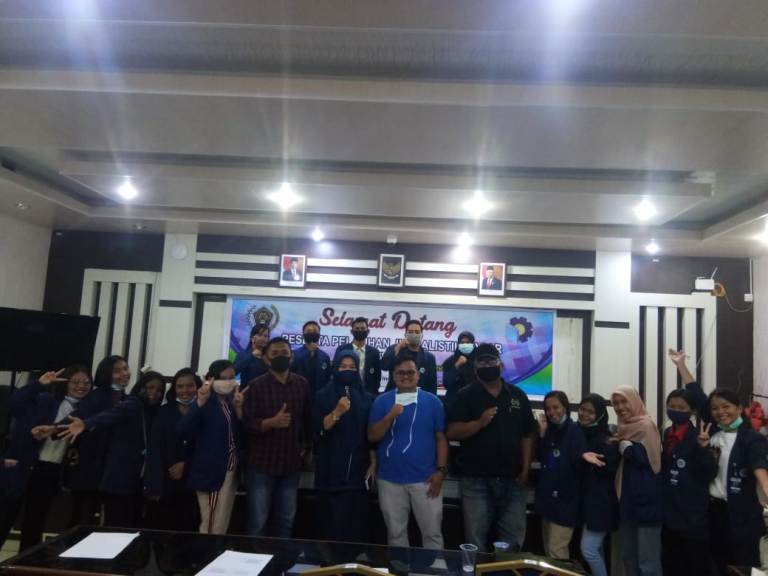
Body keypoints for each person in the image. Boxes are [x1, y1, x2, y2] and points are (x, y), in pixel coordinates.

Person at [445, 343, 535, 552]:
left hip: (513, 481)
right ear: (475, 367)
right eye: (482, 362)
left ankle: (507, 569)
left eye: (491, 361)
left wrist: (525, 469)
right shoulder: (465, 395)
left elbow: (527, 434)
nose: (487, 365)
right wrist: (479, 423)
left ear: (501, 365)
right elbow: (451, 431)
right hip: (476, 480)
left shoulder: (517, 395)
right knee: (475, 541)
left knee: (512, 541)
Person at [60, 369, 166, 529]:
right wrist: (85, 424)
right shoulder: (134, 403)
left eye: (159, 390)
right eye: (150, 387)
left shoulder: (157, 412)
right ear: (141, 387)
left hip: (140, 483)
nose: (155, 393)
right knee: (115, 527)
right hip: (120, 480)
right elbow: (111, 414)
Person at [0, 367, 90, 551]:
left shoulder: (87, 412)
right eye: (75, 382)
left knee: (35, 523)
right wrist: (39, 384)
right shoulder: (46, 400)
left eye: (86, 383)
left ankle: (25, 563)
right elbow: (14, 404)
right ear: (66, 383)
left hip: (51, 470)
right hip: (24, 464)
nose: (81, 386)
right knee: (5, 517)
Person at [368, 352, 447, 549]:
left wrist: (441, 471)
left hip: (426, 480)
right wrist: (390, 416)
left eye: (410, 372)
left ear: (418, 375)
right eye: (400, 372)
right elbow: (372, 436)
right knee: (396, 533)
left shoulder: (433, 402)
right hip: (389, 479)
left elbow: (441, 438)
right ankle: (399, 565)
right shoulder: (381, 401)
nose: (406, 376)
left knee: (432, 533)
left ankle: (435, 566)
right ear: (393, 376)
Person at [243, 337, 312, 537]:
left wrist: (306, 448)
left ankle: (279, 557)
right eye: (274, 353)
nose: (280, 356)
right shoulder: (255, 386)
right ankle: (255, 558)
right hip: (261, 465)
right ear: (266, 359)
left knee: (285, 521)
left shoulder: (302, 384)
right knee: (258, 522)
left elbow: (307, 420)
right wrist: (270, 423)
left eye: (284, 353)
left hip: (291, 465)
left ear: (292, 357)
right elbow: (246, 423)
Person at [702, 387, 768, 573]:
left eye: (726, 406)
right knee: (718, 564)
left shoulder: (752, 438)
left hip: (743, 515)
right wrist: (703, 449)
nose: (720, 412)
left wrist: (766, 486)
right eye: (715, 408)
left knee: (742, 566)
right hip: (715, 513)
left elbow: (759, 466)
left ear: (739, 408)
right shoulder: (712, 437)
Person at [312, 351, 376, 542]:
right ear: (335, 369)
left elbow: (370, 434)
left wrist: (374, 462)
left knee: (355, 525)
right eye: (343, 367)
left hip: (358, 470)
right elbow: (319, 429)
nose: (348, 370)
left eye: (352, 367)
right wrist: (337, 412)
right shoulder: (323, 395)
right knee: (330, 524)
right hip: (330, 470)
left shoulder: (367, 398)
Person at [60, 355, 130, 527]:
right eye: (117, 371)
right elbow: (74, 423)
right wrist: (53, 429)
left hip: (113, 472)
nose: (124, 373)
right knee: (82, 521)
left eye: (125, 368)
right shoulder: (95, 397)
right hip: (89, 470)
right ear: (106, 374)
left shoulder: (127, 398)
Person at [178, 360, 244, 535]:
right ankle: (207, 550)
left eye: (232, 378)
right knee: (211, 523)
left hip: (230, 469)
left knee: (222, 520)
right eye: (224, 378)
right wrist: (199, 402)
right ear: (211, 379)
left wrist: (239, 410)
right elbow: (183, 430)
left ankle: (216, 548)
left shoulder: (230, 401)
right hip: (211, 473)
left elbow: (237, 433)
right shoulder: (206, 402)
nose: (229, 382)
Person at [659, 381, 718, 576]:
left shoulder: (699, 436)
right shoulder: (666, 434)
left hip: (693, 515)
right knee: (671, 565)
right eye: (672, 406)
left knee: (694, 566)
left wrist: (703, 449)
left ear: (692, 411)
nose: (675, 411)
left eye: (681, 408)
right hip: (669, 514)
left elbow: (709, 473)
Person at [611, 386, 663, 576]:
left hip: (646, 505)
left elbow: (650, 461)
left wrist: (626, 448)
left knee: (648, 564)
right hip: (628, 504)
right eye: (616, 403)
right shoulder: (622, 428)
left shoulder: (646, 426)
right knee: (628, 558)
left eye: (624, 401)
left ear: (634, 401)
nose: (620, 407)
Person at [144, 368, 202, 531]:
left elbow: (206, 446)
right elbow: (155, 447)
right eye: (180, 386)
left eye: (190, 386)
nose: (185, 391)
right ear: (174, 389)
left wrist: (186, 464)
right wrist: (155, 482)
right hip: (165, 481)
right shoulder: (164, 412)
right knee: (162, 528)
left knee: (189, 530)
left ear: (197, 387)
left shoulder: (204, 411)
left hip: (194, 481)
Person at [535, 391, 586, 560]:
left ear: (565, 407)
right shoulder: (550, 431)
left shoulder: (575, 432)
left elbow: (576, 468)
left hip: (565, 503)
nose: (552, 412)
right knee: (548, 552)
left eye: (556, 407)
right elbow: (544, 459)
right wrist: (542, 435)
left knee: (556, 551)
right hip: (547, 501)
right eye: (548, 409)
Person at [577, 394, 619, 576]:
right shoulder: (577, 433)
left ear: (600, 415)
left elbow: (609, 469)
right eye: (582, 409)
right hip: (587, 503)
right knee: (597, 549)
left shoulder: (606, 439)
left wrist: (591, 464)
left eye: (591, 412)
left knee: (588, 550)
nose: (585, 414)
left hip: (601, 504)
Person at [381, 320, 437, 395]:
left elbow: (432, 384)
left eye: (417, 332)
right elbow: (384, 366)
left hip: (419, 397)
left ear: (422, 335)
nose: (414, 334)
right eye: (410, 332)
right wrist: (398, 348)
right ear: (405, 334)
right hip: (395, 396)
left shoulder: (429, 357)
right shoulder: (394, 349)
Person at [333, 317, 382, 396]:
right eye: (357, 328)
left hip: (367, 395)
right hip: (345, 394)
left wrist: (373, 394)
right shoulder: (341, 350)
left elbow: (377, 377)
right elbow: (335, 372)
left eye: (363, 328)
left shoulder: (374, 352)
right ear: (351, 331)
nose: (360, 331)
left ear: (368, 331)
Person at [291, 321, 332, 399]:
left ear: (319, 335)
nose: (312, 333)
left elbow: (328, 380)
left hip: (318, 399)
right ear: (303, 335)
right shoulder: (294, 354)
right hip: (298, 397)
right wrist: (308, 352)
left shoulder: (325, 357)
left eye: (315, 331)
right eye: (309, 331)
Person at [441, 331, 476, 408]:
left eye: (468, 342)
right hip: (454, 403)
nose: (465, 345)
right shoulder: (450, 361)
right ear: (458, 344)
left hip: (474, 402)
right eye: (462, 343)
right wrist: (457, 365)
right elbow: (446, 383)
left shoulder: (479, 361)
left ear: (473, 344)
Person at [234, 323, 270, 390]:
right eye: (260, 335)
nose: (263, 338)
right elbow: (233, 372)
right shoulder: (243, 354)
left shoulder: (269, 356)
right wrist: (251, 356)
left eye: (266, 336)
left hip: (265, 393)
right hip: (246, 393)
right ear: (252, 337)